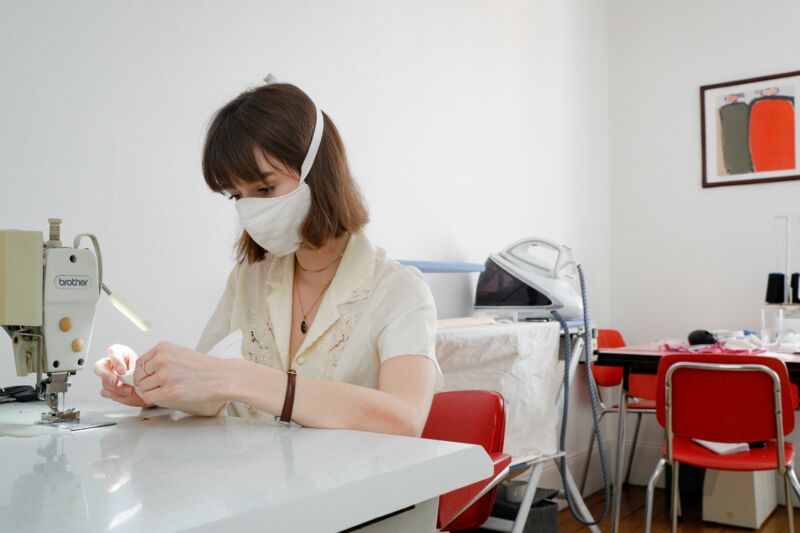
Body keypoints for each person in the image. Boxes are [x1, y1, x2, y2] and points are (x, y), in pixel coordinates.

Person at [94, 77, 441, 436]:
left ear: (317, 171)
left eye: (265, 188)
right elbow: (209, 385)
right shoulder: (250, 277)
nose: (250, 210)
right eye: (236, 196)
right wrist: (150, 384)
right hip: (261, 484)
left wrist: (245, 378)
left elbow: (404, 418)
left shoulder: (399, 290)